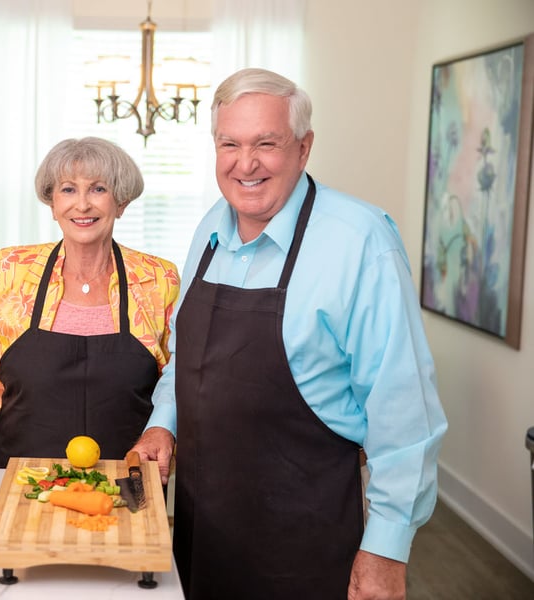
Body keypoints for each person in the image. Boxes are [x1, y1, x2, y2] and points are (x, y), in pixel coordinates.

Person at [131, 68, 448, 599]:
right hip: (199, 528)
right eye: (229, 143)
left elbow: (405, 414)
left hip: (303, 542)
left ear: (303, 148)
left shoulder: (361, 242)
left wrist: (386, 550)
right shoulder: (211, 227)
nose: (245, 163)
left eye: (266, 144)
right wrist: (163, 424)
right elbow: (188, 358)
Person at [0, 136, 180, 469]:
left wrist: (167, 435)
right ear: (52, 204)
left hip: (126, 475)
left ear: (120, 203)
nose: (82, 205)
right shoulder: (14, 269)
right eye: (67, 189)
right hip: (22, 478)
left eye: (98, 189)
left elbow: (175, 381)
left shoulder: (158, 279)